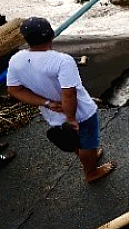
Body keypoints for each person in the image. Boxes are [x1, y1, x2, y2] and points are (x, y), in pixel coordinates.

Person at [6, 17, 116, 183]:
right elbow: (69, 94)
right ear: (52, 35)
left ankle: (87, 154)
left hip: (53, 114)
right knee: (88, 143)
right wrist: (71, 118)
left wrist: (47, 103)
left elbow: (14, 90)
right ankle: (91, 172)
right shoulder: (62, 61)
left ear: (25, 39)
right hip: (80, 113)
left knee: (74, 140)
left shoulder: (16, 60)